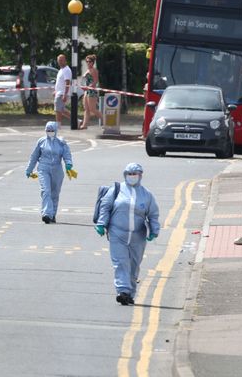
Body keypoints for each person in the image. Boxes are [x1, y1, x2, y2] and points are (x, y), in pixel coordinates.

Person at [95, 163, 160, 305]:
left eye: (134, 174)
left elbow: (153, 215)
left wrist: (154, 230)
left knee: (134, 264)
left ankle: (129, 294)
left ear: (140, 175)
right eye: (129, 174)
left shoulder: (147, 195)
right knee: (120, 262)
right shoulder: (116, 190)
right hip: (117, 233)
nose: (132, 176)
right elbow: (105, 207)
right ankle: (122, 290)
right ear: (125, 175)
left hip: (138, 235)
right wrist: (101, 223)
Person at [26, 121, 73, 224]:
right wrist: (29, 169)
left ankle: (52, 214)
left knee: (55, 193)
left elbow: (67, 154)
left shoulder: (61, 142)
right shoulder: (41, 141)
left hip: (57, 168)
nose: (50, 132)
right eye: (48, 130)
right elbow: (34, 156)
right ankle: (46, 213)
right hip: (43, 168)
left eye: (52, 130)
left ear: (56, 131)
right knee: (45, 190)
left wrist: (68, 164)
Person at [80, 54, 102, 129]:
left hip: (92, 91)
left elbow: (95, 81)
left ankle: (106, 121)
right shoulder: (87, 70)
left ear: (93, 62)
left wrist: (88, 87)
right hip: (87, 91)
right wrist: (84, 87)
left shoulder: (94, 70)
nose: (88, 63)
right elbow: (85, 81)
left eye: (89, 61)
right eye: (87, 61)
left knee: (93, 109)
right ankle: (84, 125)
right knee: (86, 109)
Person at [54, 54, 72, 127]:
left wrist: (65, 94)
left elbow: (67, 82)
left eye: (61, 60)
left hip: (62, 93)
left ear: (65, 61)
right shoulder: (61, 70)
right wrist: (55, 91)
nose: (60, 62)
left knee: (58, 110)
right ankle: (77, 121)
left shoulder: (66, 70)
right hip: (59, 92)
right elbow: (60, 82)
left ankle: (58, 125)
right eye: (59, 61)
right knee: (62, 110)